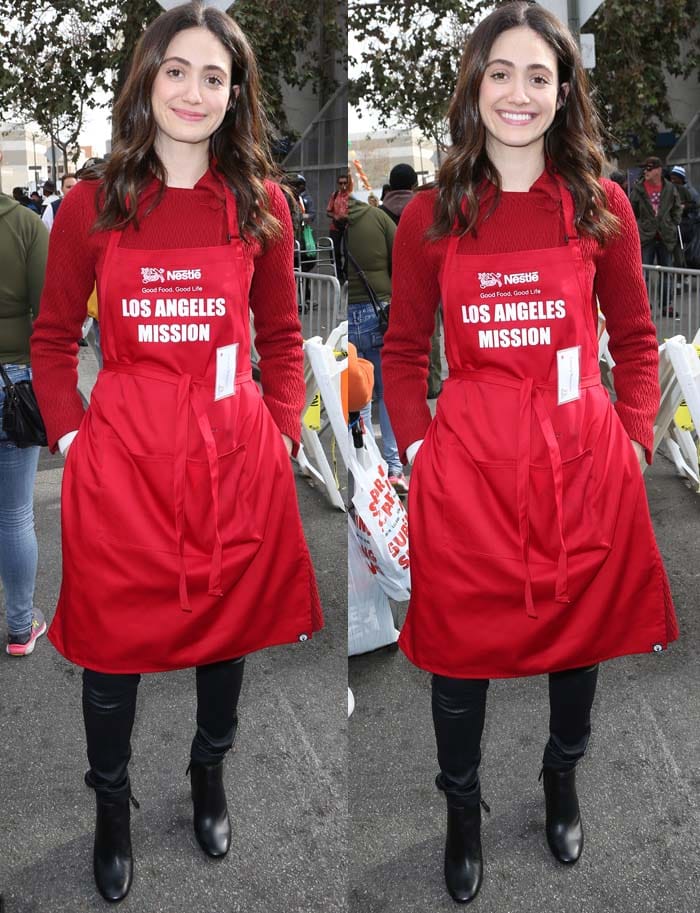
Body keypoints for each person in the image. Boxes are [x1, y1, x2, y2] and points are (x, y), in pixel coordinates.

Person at [382, 2, 678, 904]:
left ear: (562, 92)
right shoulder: (431, 214)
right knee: (460, 650)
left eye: (538, 76)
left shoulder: (602, 204)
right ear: (476, 86)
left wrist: (631, 438)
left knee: (575, 641)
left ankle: (562, 778)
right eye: (501, 73)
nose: (518, 92)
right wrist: (422, 450)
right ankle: (461, 811)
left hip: (579, 464)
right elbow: (400, 354)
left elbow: (635, 339)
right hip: (467, 472)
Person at [31, 3, 322, 903]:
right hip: (122, 471)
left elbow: (280, 336)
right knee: (112, 653)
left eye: (214, 76)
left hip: (231, 463)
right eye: (177, 70)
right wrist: (77, 437)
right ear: (147, 79)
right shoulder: (92, 202)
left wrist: (276, 433)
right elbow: (49, 340)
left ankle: (208, 773)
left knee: (223, 640)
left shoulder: (260, 204)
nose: (193, 91)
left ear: (235, 96)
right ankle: (110, 807)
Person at [0, 154, 49, 656]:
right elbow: (50, 313)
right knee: (13, 515)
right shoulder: (25, 225)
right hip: (11, 382)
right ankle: (19, 628)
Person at [346, 172, 409, 494]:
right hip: (380, 314)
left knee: (358, 398)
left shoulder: (340, 226)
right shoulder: (378, 219)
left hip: (346, 319)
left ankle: (365, 470)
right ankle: (394, 469)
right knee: (387, 394)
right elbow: (402, 264)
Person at [630, 156, 681, 316]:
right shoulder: (638, 188)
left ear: (658, 170)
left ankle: (667, 306)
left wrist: (672, 223)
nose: (646, 171)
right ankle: (644, 305)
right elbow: (633, 210)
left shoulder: (670, 188)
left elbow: (676, 208)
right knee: (643, 271)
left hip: (666, 235)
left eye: (649, 168)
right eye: (644, 168)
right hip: (646, 235)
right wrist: (641, 226)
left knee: (666, 271)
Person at [326, 173, 349, 280]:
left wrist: (346, 216)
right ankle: (338, 274)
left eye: (345, 183)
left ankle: (346, 271)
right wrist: (335, 216)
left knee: (348, 251)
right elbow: (328, 211)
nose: (343, 185)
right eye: (341, 183)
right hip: (335, 226)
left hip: (348, 226)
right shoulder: (335, 195)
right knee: (335, 251)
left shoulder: (351, 196)